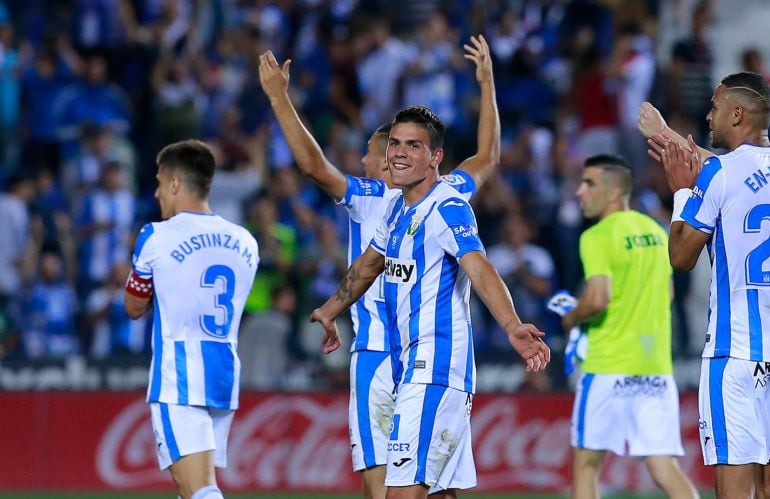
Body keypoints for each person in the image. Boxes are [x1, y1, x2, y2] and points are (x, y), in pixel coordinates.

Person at [258, 35, 501, 499]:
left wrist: (278, 98)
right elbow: (486, 158)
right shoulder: (388, 199)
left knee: (411, 487)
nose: (379, 159)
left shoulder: (396, 194)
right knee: (416, 486)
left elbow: (312, 164)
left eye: (380, 150)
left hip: (410, 356)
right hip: (384, 352)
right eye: (385, 148)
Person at [309, 105, 550, 499]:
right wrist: (331, 310)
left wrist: (511, 325)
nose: (399, 153)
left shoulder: (448, 206)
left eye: (414, 145)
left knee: (400, 493)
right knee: (439, 494)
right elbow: (369, 264)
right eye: (395, 144)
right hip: (412, 368)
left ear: (435, 157)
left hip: (435, 370)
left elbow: (479, 266)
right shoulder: (396, 209)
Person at [643, 71, 770, 499]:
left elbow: (680, 258)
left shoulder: (717, 172)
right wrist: (669, 136)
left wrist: (682, 192)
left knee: (733, 490)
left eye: (716, 107)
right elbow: (736, 170)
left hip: (737, 351)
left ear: (737, 113)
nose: (708, 115)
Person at [124, 140, 260, 499]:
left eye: (158, 182)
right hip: (223, 375)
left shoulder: (155, 236)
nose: (155, 193)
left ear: (174, 184)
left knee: (198, 489)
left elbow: (134, 307)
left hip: (179, 375)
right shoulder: (245, 241)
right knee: (196, 487)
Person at [558, 154, 697, 499]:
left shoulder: (597, 236)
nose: (579, 191)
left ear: (613, 191)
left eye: (589, 183)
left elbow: (597, 299)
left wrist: (571, 316)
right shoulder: (655, 231)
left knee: (587, 464)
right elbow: (666, 294)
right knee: (664, 467)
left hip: (608, 367)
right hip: (654, 370)